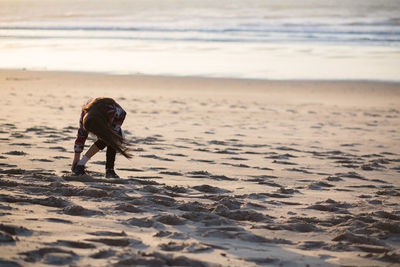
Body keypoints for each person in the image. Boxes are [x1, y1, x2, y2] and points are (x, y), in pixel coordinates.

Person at [71, 97, 132, 178]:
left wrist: (115, 130)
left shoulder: (113, 110)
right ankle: (80, 165)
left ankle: (109, 170)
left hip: (111, 119)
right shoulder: (84, 116)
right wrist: (76, 158)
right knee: (107, 139)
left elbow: (123, 114)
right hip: (98, 118)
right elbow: (81, 137)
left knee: (111, 139)